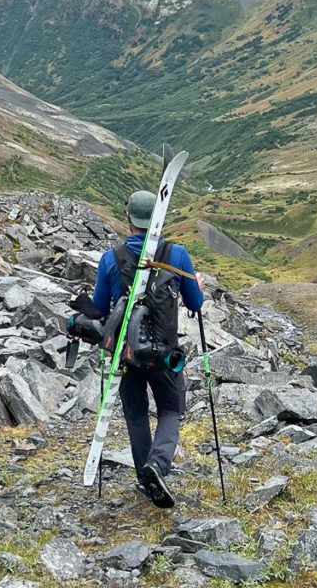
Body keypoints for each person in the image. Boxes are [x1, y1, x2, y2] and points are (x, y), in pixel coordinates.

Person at [92, 188, 204, 508]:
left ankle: (145, 477)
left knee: (137, 415)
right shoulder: (177, 255)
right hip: (165, 354)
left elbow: (101, 310)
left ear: (128, 218)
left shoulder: (110, 259)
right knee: (171, 409)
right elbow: (196, 303)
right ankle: (159, 465)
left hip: (126, 355)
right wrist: (197, 285)